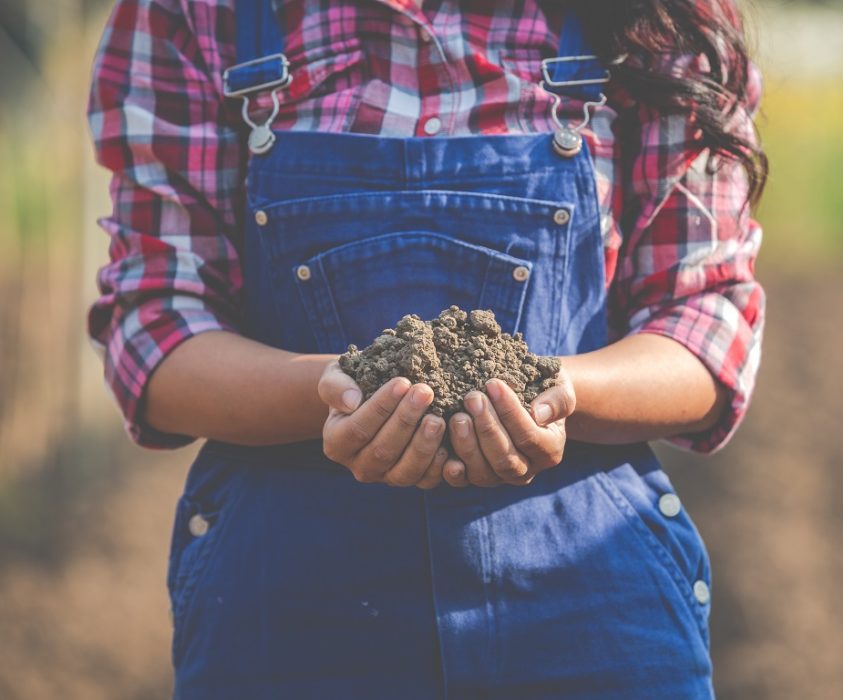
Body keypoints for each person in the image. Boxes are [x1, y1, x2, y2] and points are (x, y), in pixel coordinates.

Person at [87, 0, 766, 697]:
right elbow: (158, 329)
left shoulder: (666, 22)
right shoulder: (196, 15)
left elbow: (702, 319)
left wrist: (556, 391)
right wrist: (337, 392)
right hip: (289, 608)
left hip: (587, 604)